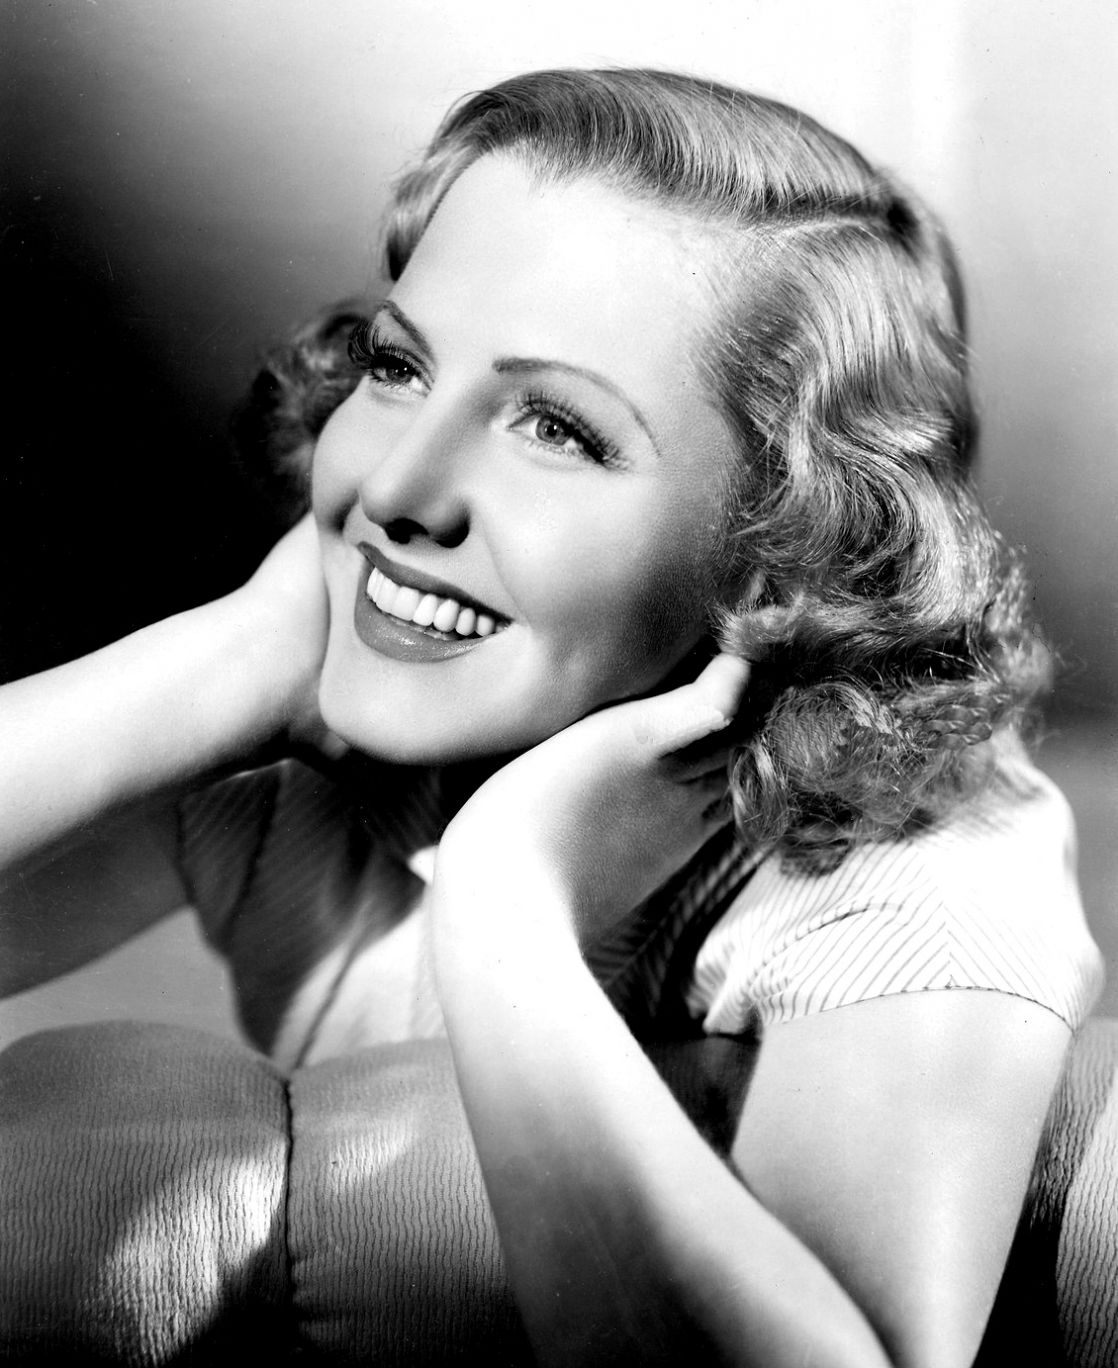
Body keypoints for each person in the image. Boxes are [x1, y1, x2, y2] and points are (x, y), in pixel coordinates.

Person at [0, 67, 1104, 1366]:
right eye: (398, 366)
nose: (399, 487)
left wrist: (505, 907)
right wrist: (223, 657)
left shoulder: (925, 873)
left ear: (783, 550)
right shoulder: (325, 751)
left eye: (559, 430)